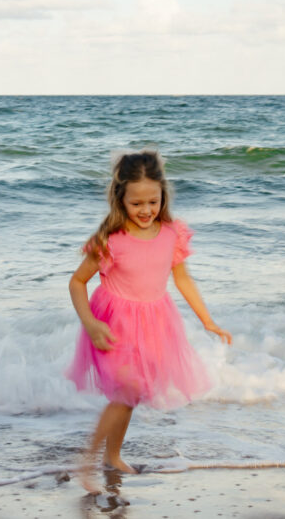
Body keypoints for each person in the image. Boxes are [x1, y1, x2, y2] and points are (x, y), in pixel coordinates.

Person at [66, 151, 231, 492]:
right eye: (136, 203)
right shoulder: (110, 240)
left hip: (155, 322)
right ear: (120, 199)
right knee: (126, 390)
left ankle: (112, 456)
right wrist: (90, 324)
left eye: (152, 202)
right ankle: (87, 460)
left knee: (132, 393)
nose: (145, 210)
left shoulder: (171, 234)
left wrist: (208, 321)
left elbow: (182, 280)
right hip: (112, 323)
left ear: (163, 197)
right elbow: (77, 282)